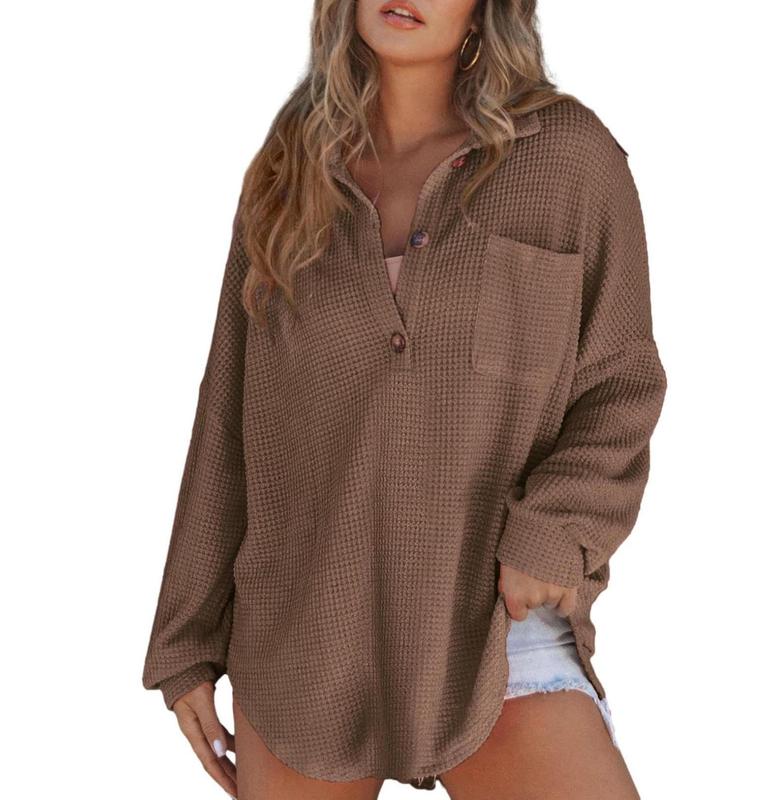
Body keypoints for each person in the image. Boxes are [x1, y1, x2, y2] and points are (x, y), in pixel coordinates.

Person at [141, 1, 668, 798]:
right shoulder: (287, 176)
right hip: (304, 635)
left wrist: (556, 531)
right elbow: (228, 417)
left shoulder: (567, 157)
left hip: (490, 628)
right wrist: (187, 638)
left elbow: (620, 381)